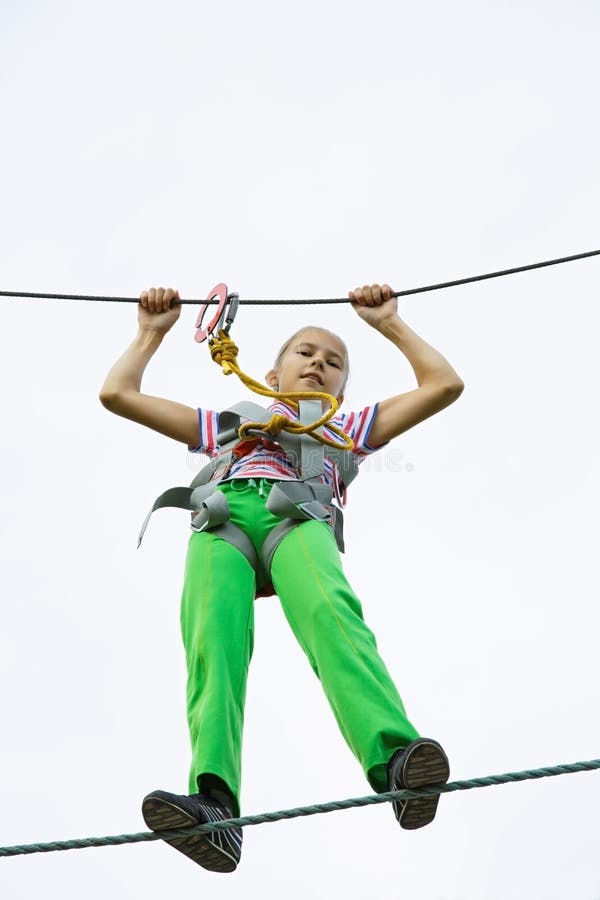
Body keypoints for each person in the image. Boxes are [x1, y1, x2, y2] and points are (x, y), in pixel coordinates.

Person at [99, 282, 464, 873]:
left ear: (344, 389)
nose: (318, 363)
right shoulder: (224, 423)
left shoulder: (347, 427)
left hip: (297, 518)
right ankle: (214, 807)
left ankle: (399, 762)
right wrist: (149, 333)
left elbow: (443, 385)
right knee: (212, 647)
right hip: (221, 524)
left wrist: (388, 322)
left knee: (333, 620)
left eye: (333, 362)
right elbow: (117, 393)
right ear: (271, 370)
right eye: (306, 353)